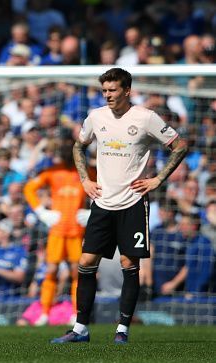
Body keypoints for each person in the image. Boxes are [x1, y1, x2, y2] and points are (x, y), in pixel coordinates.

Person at [52, 68, 188, 344]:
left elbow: (180, 145)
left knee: (129, 262)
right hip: (102, 203)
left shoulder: (146, 118)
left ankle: (122, 330)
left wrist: (158, 179)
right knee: (87, 261)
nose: (108, 95)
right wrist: (84, 180)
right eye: (104, 91)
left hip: (133, 203)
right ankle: (80, 329)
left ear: (127, 90)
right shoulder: (96, 117)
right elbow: (79, 147)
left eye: (112, 90)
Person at [23, 135, 89, 326]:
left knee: (78, 272)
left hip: (76, 229)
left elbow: (104, 189)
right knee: (51, 270)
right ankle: (44, 312)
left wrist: (94, 211)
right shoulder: (52, 172)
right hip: (58, 230)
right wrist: (41, 212)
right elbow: (29, 188)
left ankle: (77, 314)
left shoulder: (86, 172)